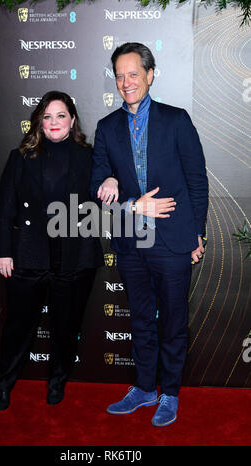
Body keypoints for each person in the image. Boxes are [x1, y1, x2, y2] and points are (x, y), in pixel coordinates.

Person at [90, 43, 208, 426]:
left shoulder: (176, 120)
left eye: (133, 74)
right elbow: (98, 184)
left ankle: (170, 393)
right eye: (120, 75)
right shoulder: (107, 128)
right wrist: (117, 189)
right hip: (130, 240)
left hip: (173, 241)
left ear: (150, 75)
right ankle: (144, 388)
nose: (126, 82)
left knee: (172, 320)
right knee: (140, 319)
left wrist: (198, 234)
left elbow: (196, 182)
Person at [0, 91, 103, 410]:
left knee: (66, 329)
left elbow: (103, 196)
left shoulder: (89, 156)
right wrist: (4, 251)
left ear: (72, 121)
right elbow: (5, 209)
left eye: (61, 115)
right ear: (39, 123)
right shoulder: (20, 157)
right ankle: (3, 384)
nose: (54, 122)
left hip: (75, 256)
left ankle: (58, 381)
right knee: (17, 327)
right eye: (48, 116)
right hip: (28, 254)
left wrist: (109, 179)